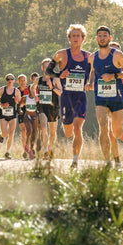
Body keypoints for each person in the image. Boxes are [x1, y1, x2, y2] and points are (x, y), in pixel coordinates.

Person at [45, 24, 93, 169]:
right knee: (68, 132)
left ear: (83, 38)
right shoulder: (61, 55)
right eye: (73, 36)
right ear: (69, 38)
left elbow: (94, 72)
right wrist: (59, 74)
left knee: (78, 128)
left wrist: (90, 83)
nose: (76, 38)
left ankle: (75, 160)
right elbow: (48, 71)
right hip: (66, 97)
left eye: (79, 36)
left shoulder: (89, 56)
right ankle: (67, 127)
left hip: (80, 97)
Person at [87, 26, 123, 168]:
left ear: (109, 38)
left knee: (117, 132)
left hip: (117, 97)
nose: (102, 38)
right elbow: (93, 72)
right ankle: (107, 161)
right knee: (103, 126)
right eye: (99, 35)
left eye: (105, 35)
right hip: (100, 97)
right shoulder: (92, 57)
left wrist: (114, 76)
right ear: (96, 38)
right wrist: (90, 82)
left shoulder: (117, 55)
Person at [32, 58, 62, 160]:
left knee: (52, 133)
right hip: (42, 107)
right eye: (46, 67)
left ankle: (50, 149)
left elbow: (61, 93)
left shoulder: (56, 79)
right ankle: (45, 151)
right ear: (42, 68)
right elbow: (32, 88)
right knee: (44, 128)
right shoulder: (38, 80)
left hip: (53, 108)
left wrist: (52, 86)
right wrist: (35, 95)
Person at [0, 73, 22, 159]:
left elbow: (20, 104)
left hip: (13, 114)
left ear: (14, 80)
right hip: (3, 115)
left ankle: (7, 152)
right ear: (6, 81)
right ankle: (1, 135)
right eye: (8, 79)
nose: (9, 81)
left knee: (11, 133)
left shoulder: (17, 91)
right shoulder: (2, 90)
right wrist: (2, 105)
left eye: (11, 79)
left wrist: (17, 102)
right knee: (5, 134)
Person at [109, 41, 123, 141]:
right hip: (108, 101)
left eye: (117, 50)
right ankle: (115, 155)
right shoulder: (104, 67)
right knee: (110, 130)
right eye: (112, 50)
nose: (114, 52)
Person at [18, 82, 39, 159]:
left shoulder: (37, 98)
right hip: (27, 116)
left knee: (34, 134)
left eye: (34, 89)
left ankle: (31, 149)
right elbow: (19, 104)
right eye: (31, 89)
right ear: (29, 90)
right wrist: (20, 110)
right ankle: (26, 147)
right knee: (29, 130)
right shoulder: (25, 97)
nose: (33, 90)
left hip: (35, 117)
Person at [16, 74, 29, 154]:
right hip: (20, 112)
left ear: (26, 81)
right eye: (21, 80)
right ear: (18, 81)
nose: (22, 82)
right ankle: (25, 150)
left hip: (30, 111)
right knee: (23, 130)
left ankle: (30, 149)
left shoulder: (29, 89)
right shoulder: (16, 91)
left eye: (24, 80)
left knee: (30, 131)